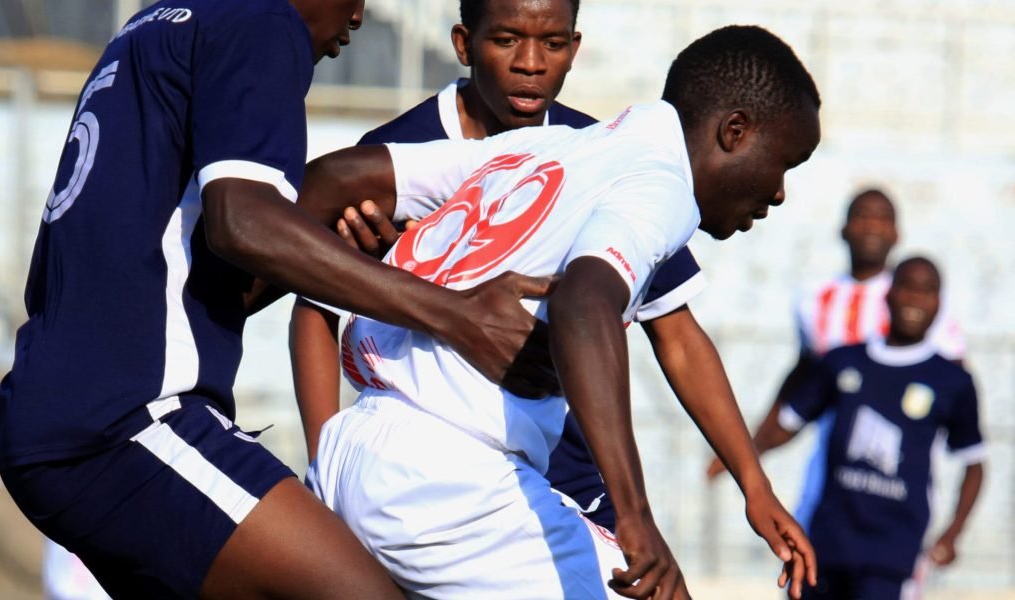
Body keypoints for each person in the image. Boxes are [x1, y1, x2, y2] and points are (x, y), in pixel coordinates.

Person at [0, 1, 555, 598]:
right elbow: (244, 224)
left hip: (60, 406)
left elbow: (200, 260)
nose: (359, 18)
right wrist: (457, 316)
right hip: (127, 421)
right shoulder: (262, 21)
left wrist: (333, 254)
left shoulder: (162, 20)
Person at [302, 25, 823, 600]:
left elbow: (336, 175)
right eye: (785, 165)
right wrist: (636, 516)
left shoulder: (546, 148)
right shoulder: (660, 186)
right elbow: (582, 305)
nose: (779, 193)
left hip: (352, 450)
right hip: (448, 485)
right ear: (734, 132)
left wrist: (753, 483)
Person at [291, 0, 724, 535]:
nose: (531, 62)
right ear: (462, 43)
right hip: (430, 473)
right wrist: (321, 461)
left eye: (553, 43)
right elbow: (316, 310)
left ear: (574, 49)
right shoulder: (394, 153)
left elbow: (676, 332)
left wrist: (752, 479)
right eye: (506, 40)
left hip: (571, 473)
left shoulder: (606, 150)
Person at [707, 189, 966, 532]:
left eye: (882, 219)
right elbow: (801, 386)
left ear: (896, 233)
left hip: (900, 485)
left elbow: (956, 385)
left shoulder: (915, 298)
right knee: (811, 571)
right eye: (862, 216)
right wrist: (748, 450)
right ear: (843, 228)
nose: (871, 226)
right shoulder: (816, 301)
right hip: (831, 479)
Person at [752, 257, 986, 600]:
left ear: (940, 302)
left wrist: (952, 533)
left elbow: (974, 463)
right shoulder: (843, 360)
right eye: (907, 287)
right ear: (888, 294)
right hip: (826, 541)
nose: (915, 300)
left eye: (928, 291)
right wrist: (744, 457)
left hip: (894, 555)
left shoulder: (952, 379)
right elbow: (788, 423)